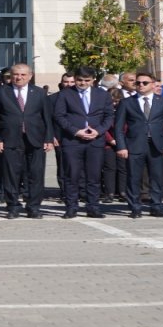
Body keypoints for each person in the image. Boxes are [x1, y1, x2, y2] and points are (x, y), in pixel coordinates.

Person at [0, 63, 54, 219]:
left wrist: (49, 138)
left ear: (30, 76)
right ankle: (13, 206)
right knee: (11, 174)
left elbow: (47, 118)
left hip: (35, 139)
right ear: (10, 76)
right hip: (9, 139)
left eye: (23, 75)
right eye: (15, 75)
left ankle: (34, 206)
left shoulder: (39, 93)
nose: (19, 77)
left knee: (36, 174)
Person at [114, 72, 163, 218]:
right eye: (138, 83)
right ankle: (135, 207)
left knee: (157, 176)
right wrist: (121, 146)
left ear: (153, 84)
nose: (140, 85)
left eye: (144, 83)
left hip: (157, 144)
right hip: (135, 144)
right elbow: (118, 127)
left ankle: (157, 206)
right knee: (134, 177)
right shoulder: (127, 102)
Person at [54, 67, 113, 218]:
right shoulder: (66, 94)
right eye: (80, 80)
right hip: (73, 140)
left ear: (93, 80)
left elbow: (109, 116)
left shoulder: (102, 94)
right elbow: (60, 116)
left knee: (93, 176)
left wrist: (98, 131)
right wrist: (75, 131)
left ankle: (93, 207)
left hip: (95, 140)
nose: (83, 83)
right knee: (71, 175)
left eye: (87, 80)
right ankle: (72, 207)